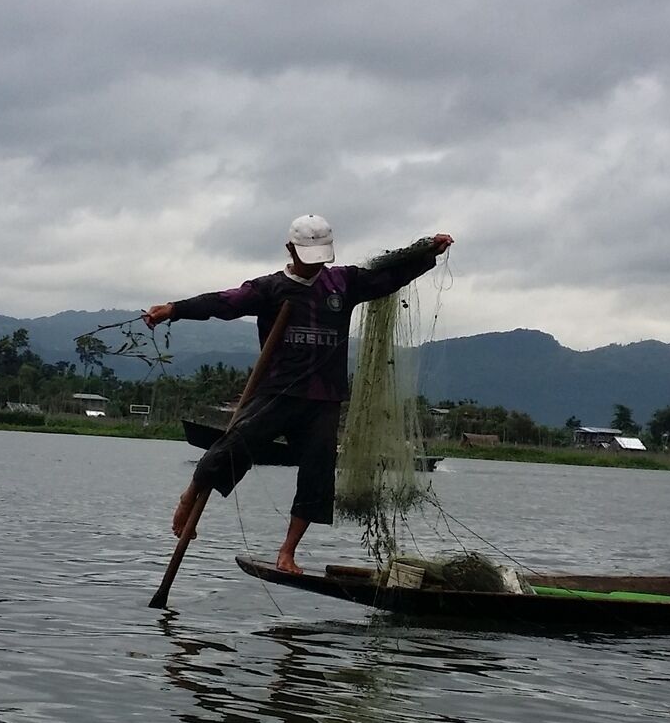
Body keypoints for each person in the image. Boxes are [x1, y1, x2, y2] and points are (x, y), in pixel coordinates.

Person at [146, 215, 453, 574]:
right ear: (291, 249)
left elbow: (387, 278)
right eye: (308, 255)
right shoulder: (270, 288)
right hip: (279, 390)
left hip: (324, 398)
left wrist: (427, 254)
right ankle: (189, 497)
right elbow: (223, 303)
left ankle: (287, 552)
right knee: (231, 447)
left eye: (322, 255)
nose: (316, 263)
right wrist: (175, 310)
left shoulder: (343, 282)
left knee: (318, 478)